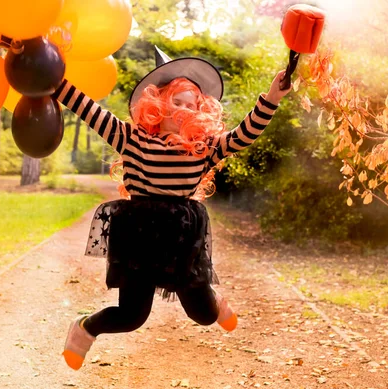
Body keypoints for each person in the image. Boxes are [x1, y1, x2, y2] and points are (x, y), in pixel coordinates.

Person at [52, 46, 291, 370]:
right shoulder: (131, 138)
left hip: (181, 239)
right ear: (158, 105)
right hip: (138, 236)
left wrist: (273, 97)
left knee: (203, 315)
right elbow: (89, 110)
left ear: (199, 112)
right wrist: (53, 79)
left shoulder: (203, 148)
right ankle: (85, 329)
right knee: (132, 317)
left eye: (190, 105)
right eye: (175, 102)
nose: (182, 109)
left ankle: (213, 303)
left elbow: (245, 134)